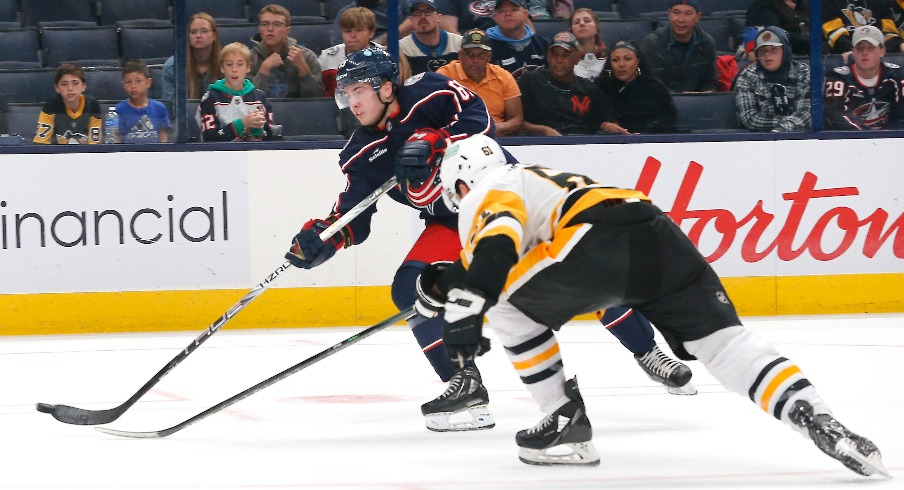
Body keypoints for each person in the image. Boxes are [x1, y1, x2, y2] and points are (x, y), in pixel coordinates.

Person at [417, 134, 889, 477]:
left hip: (594, 241)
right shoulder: (536, 178)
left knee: (500, 305)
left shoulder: (484, 187)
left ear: (460, 181)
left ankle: (562, 417)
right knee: (727, 347)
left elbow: (498, 241)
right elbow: (507, 258)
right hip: (653, 230)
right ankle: (815, 415)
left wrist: (462, 308)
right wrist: (450, 284)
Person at [283, 46, 500, 432]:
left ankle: (645, 347)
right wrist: (323, 239)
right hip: (450, 224)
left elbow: (481, 120)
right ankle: (463, 384)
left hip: (503, 205)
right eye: (346, 94)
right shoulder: (361, 153)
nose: (352, 103)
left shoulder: (430, 92)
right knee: (408, 290)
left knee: (565, 277)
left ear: (386, 88)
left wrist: (439, 139)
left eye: (358, 91)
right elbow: (354, 218)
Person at [518, 31, 618, 136]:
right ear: (548, 56)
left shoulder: (589, 89)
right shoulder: (530, 80)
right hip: (537, 143)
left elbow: (607, 121)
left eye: (566, 55)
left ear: (577, 57)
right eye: (554, 54)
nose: (559, 60)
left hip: (580, 143)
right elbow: (515, 121)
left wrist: (606, 125)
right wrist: (542, 130)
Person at [436, 28, 524, 136]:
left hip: (496, 137)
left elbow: (517, 120)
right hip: (457, 136)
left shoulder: (503, 76)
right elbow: (435, 116)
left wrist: (488, 128)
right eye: (470, 54)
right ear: (460, 55)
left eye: (481, 55)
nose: (475, 60)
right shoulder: (444, 76)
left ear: (489, 57)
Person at [824, 24, 904, 130]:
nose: (865, 53)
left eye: (870, 48)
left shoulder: (897, 75)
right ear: (853, 51)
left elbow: (901, 117)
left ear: (882, 51)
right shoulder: (837, 77)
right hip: (851, 143)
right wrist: (869, 137)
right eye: (860, 48)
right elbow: (835, 117)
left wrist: (888, 137)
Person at [735, 27, 811, 133]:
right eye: (762, 50)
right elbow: (749, 118)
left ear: (785, 50)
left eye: (773, 49)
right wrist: (783, 124)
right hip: (760, 140)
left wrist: (783, 129)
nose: (767, 54)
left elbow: (806, 113)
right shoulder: (747, 76)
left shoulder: (804, 73)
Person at [197, 43, 278, 142]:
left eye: (240, 64)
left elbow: (270, 139)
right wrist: (241, 124)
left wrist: (257, 131)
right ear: (222, 68)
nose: (234, 70)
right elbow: (209, 138)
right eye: (229, 64)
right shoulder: (210, 98)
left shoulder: (260, 97)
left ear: (248, 68)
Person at [596, 39, 676, 134]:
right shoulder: (600, 87)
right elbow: (588, 118)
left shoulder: (654, 86)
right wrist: (604, 125)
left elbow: (669, 117)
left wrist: (646, 133)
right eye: (615, 60)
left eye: (627, 59)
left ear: (637, 61)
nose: (621, 65)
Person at [639, 0, 717, 93]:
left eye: (688, 14)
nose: (681, 20)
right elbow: (654, 87)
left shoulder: (707, 43)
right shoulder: (652, 44)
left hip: (698, 103)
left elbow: (710, 82)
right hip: (662, 103)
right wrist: (684, 98)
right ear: (669, 14)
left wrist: (706, 93)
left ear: (697, 17)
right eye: (676, 13)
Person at [250, 3, 325, 99]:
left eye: (277, 24)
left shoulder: (307, 57)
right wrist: (263, 70)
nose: (270, 29)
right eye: (265, 24)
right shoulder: (249, 59)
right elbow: (247, 101)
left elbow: (317, 100)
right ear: (259, 28)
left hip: (299, 112)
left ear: (287, 30)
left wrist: (303, 69)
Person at [34, 63, 102, 145]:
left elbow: (95, 145)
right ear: (57, 88)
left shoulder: (92, 105)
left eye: (75, 83)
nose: (70, 88)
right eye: (64, 84)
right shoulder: (51, 106)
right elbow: (41, 143)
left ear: (83, 86)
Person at [319, 7, 380, 98]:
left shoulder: (383, 56)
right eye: (348, 31)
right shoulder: (327, 57)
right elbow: (318, 91)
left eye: (359, 30)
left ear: (371, 33)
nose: (352, 35)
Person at [162, 12, 222, 101]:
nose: (198, 35)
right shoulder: (173, 66)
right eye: (193, 32)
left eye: (204, 31)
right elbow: (171, 105)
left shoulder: (227, 64)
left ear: (214, 36)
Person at [488, 0, 550, 79]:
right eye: (502, 11)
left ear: (525, 14)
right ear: (495, 17)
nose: (508, 14)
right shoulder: (487, 47)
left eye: (514, 10)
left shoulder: (544, 44)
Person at [399, 0, 463, 76]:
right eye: (417, 13)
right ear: (411, 20)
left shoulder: (459, 43)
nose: (422, 17)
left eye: (428, 12)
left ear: (439, 17)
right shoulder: (402, 48)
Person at [114, 60, 172, 143]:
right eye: (128, 82)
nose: (133, 86)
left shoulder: (160, 108)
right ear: (123, 84)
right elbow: (118, 141)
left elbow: (163, 140)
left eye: (138, 81)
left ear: (148, 82)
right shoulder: (118, 110)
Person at [822, 0, 904, 56]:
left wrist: (899, 45)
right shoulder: (827, 2)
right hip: (845, 59)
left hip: (878, 57)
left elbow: (889, 34)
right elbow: (836, 36)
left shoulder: (880, 2)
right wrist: (858, 52)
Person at [745, 0, 810, 56]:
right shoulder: (764, 9)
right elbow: (773, 35)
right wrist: (810, 44)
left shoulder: (803, 8)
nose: (793, 4)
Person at [570, 7, 608, 81]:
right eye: (577, 22)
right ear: (571, 31)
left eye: (587, 21)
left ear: (596, 28)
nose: (582, 23)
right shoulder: (567, 60)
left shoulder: (610, 57)